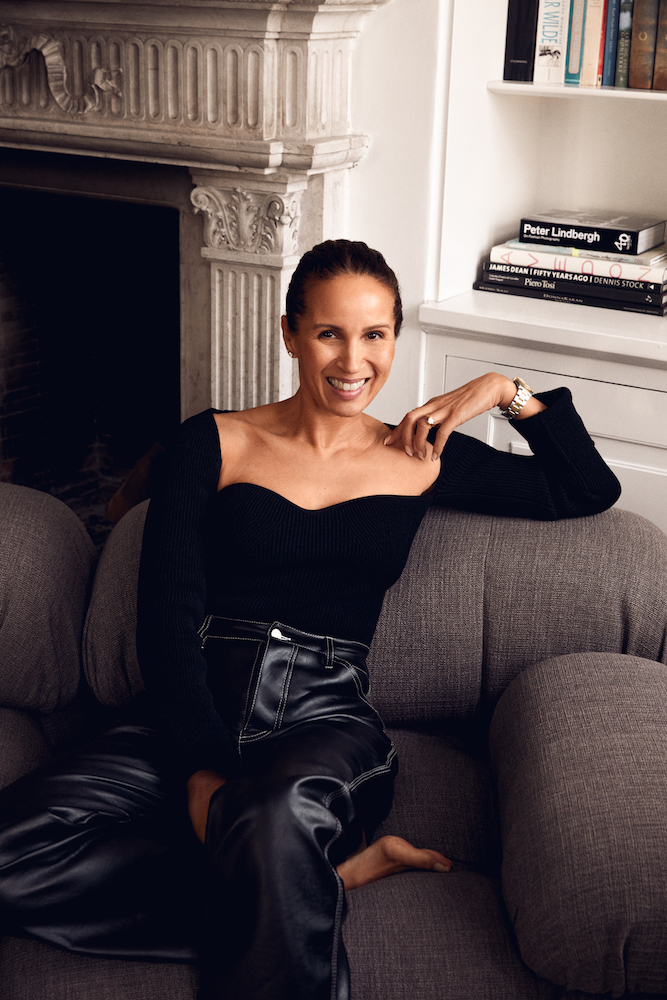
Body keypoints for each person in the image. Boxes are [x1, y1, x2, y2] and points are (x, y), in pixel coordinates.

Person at [0, 240, 620, 1000]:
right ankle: (327, 877)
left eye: (375, 335)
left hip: (323, 719)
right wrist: (204, 767)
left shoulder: (421, 455)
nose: (353, 360)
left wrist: (501, 390)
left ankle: (283, 866)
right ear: (290, 334)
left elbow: (585, 488)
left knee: (273, 813)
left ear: (395, 338)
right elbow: (165, 617)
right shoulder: (211, 442)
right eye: (329, 333)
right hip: (190, 706)